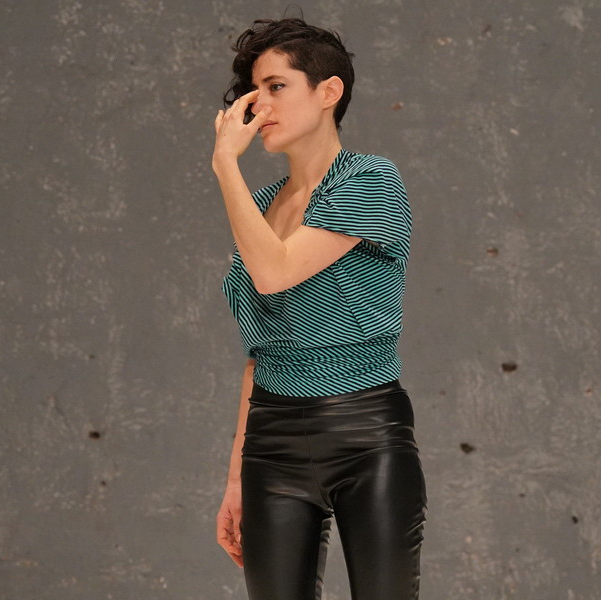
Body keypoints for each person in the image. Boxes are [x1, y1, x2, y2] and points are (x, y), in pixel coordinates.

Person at [211, 18, 427, 600]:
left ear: (329, 91)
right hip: (270, 442)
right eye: (253, 91)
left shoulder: (370, 180)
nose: (259, 106)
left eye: (276, 86)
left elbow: (275, 273)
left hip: (365, 434)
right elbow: (261, 351)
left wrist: (226, 164)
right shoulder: (260, 204)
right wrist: (235, 477)